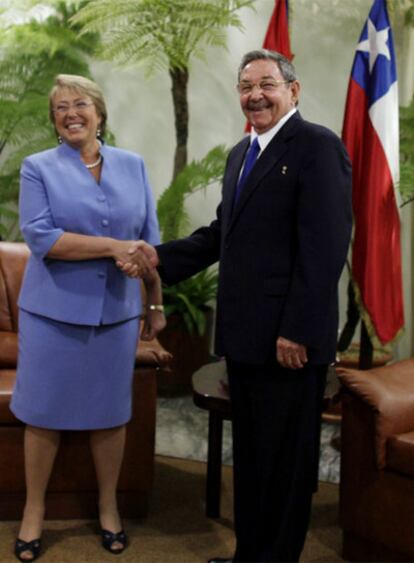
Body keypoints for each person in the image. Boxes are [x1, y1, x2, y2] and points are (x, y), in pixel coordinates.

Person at [120, 49, 352, 562]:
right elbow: (220, 235)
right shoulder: (241, 154)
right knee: (251, 458)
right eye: (246, 86)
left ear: (293, 90)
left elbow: (325, 250)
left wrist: (297, 329)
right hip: (244, 339)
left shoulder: (317, 147)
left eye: (266, 84)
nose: (255, 95)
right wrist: (157, 258)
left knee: (285, 467)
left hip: (287, 342)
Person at [11, 74, 165, 562]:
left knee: (110, 414)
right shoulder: (37, 167)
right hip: (52, 313)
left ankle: (108, 508)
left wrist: (155, 301)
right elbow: (43, 239)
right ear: (54, 121)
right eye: (61, 108)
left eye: (80, 104)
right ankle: (33, 511)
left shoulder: (133, 165)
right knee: (42, 414)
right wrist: (116, 247)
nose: (71, 113)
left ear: (99, 113)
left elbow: (149, 243)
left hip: (117, 315)